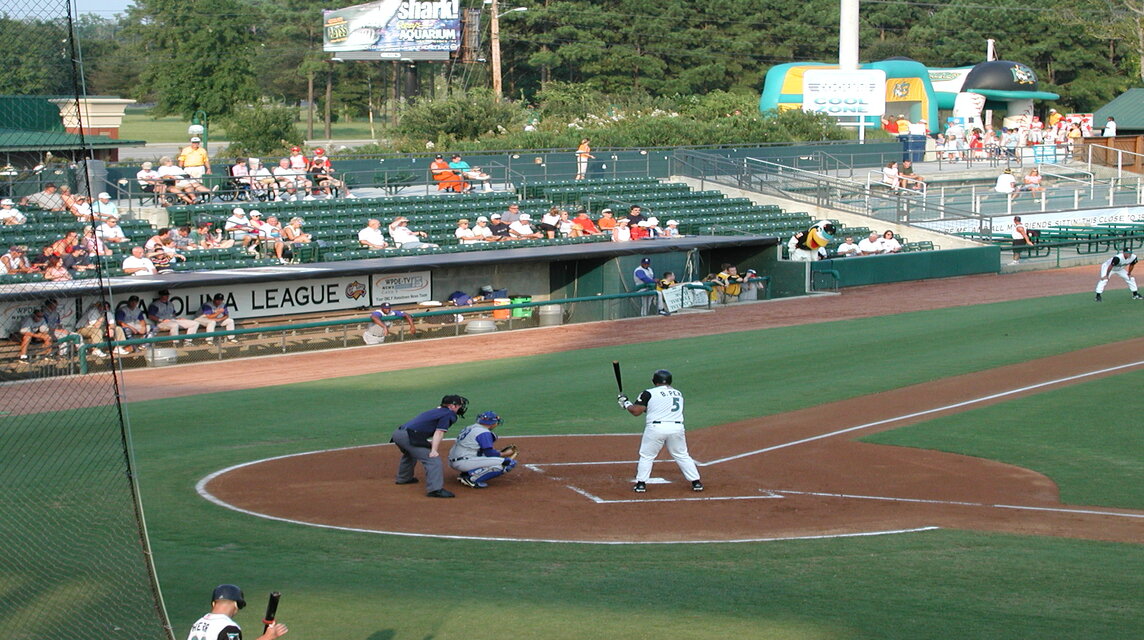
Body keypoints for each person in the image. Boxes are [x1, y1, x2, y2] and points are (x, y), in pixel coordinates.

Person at [618, 369, 702, 494]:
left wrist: (626, 403)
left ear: (654, 381)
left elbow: (636, 411)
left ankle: (641, 484)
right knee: (682, 455)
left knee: (647, 456)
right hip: (676, 428)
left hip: (656, 429)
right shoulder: (678, 393)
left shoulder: (648, 393)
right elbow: (657, 408)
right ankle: (696, 483)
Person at [390, 395, 469, 498]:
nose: (460, 408)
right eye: (459, 405)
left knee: (410, 453)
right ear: (452, 406)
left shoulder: (438, 410)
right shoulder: (448, 414)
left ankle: (404, 478)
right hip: (409, 436)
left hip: (398, 434)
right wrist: (434, 450)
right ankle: (435, 490)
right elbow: (439, 432)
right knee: (433, 460)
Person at [187, 583, 288, 640]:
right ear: (236, 605)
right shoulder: (228, 627)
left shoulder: (198, 623)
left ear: (214, 603)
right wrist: (268, 637)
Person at [448, 411, 517, 488]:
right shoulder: (483, 433)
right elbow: (489, 453)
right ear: (492, 423)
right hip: (464, 462)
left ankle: (466, 473)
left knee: (485, 455)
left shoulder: (471, 427)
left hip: (455, 459)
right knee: (508, 463)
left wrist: (498, 452)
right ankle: (471, 479)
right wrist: (504, 454)